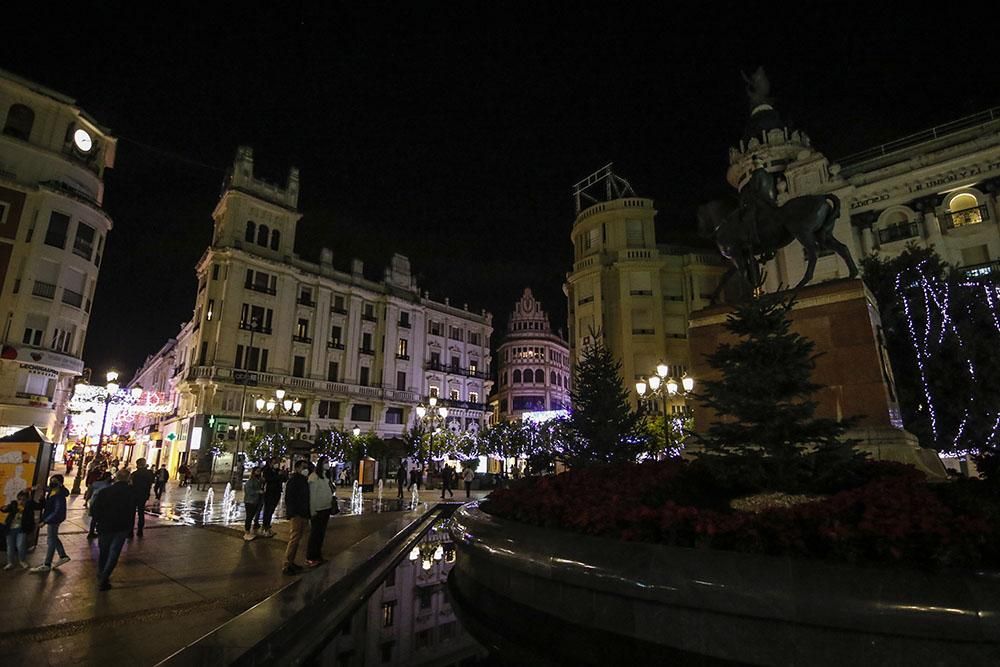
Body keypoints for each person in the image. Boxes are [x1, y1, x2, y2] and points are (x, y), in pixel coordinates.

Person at [91, 469, 137, 590]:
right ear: (128, 479)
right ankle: (104, 577)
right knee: (114, 553)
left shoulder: (104, 492)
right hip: (121, 527)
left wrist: (97, 522)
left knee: (104, 552)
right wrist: (130, 528)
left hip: (105, 526)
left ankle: (101, 573)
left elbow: (94, 509)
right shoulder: (131, 493)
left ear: (116, 478)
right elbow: (131, 512)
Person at [31, 475, 71, 572]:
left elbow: (56, 510)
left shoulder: (59, 495)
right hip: (53, 519)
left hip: (54, 519)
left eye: (54, 481)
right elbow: (47, 489)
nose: (52, 482)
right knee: (53, 537)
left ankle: (47, 564)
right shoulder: (53, 491)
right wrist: (40, 490)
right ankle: (63, 556)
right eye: (51, 480)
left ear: (60, 483)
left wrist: (45, 521)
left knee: (51, 540)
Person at [306, 456, 337, 567]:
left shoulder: (326, 477)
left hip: (326, 508)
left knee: (321, 535)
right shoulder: (314, 477)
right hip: (318, 510)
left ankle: (318, 555)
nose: (327, 464)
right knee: (315, 535)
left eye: (328, 462)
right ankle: (311, 557)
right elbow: (312, 496)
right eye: (325, 462)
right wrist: (312, 511)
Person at [283, 460, 311, 575]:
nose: (306, 469)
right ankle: (286, 565)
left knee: (298, 538)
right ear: (298, 468)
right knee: (294, 539)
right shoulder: (294, 481)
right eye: (304, 467)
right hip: (297, 514)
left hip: (303, 513)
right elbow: (289, 498)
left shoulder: (304, 480)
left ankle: (291, 562)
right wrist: (292, 513)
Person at [2, 489, 37, 570]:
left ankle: (22, 561)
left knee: (20, 545)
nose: (21, 501)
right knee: (10, 547)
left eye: (23, 500)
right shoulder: (14, 504)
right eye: (19, 499)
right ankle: (10, 562)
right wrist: (4, 508)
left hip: (21, 529)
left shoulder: (29, 506)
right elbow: (5, 509)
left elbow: (38, 506)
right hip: (10, 529)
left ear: (27, 500)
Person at [129, 458, 155, 539]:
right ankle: (140, 530)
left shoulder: (134, 474)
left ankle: (130, 532)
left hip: (134, 495)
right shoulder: (149, 474)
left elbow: (130, 484)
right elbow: (150, 483)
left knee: (132, 514)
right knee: (141, 512)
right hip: (143, 495)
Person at [86, 471, 113, 539]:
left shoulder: (96, 483)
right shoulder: (108, 485)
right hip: (102, 503)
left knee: (94, 518)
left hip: (93, 501)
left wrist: (87, 500)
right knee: (101, 517)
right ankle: (98, 531)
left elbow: (90, 491)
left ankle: (91, 532)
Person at [260, 458, 283, 538]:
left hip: (277, 492)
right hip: (269, 492)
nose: (276, 464)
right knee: (268, 510)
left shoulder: (277, 470)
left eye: (276, 462)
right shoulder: (267, 471)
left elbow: (283, 479)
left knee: (271, 510)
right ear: (270, 463)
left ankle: (268, 527)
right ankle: (265, 527)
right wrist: (278, 476)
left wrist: (282, 474)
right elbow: (269, 479)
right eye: (274, 462)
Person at [242, 467, 263, 541]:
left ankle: (248, 532)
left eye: (259, 471)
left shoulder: (258, 480)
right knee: (249, 517)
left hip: (255, 501)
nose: (259, 473)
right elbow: (249, 491)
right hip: (250, 501)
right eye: (257, 471)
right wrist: (258, 491)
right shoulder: (250, 481)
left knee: (251, 516)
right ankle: (246, 532)